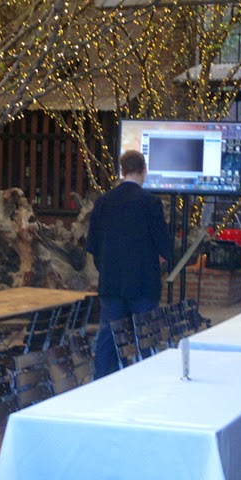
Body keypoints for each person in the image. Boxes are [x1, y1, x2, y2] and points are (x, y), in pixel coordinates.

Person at [86, 150, 171, 378]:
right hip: (143, 283)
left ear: (122, 171)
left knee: (108, 338)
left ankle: (101, 383)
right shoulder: (151, 203)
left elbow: (93, 244)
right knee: (145, 338)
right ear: (144, 170)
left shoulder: (103, 202)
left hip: (111, 282)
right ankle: (145, 381)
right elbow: (164, 245)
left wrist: (106, 267)